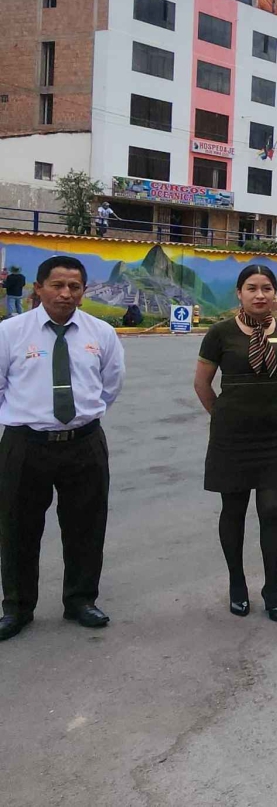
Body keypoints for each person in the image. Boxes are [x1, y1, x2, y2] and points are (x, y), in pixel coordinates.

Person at [0, 255, 124, 642]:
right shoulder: (10, 332)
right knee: (17, 529)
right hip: (25, 444)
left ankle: (80, 601)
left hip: (84, 444)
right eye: (57, 285)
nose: (65, 293)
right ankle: (17, 608)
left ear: (83, 293)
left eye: (74, 287)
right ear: (38, 288)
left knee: (86, 526)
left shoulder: (102, 333)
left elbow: (110, 385)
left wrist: (79, 419)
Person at [193, 265, 277, 622]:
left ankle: (272, 589)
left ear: (275, 293)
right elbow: (202, 384)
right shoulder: (220, 333)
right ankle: (237, 584)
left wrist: (268, 406)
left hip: (275, 433)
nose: (260, 295)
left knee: (272, 509)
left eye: (267, 288)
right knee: (234, 509)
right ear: (239, 293)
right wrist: (223, 415)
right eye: (252, 288)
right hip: (232, 436)